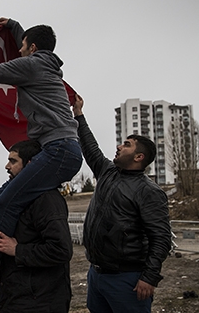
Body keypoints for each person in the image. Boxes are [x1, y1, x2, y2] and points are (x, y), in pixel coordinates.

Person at [0, 16, 82, 290]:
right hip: (61, 149)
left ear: (32, 48)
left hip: (59, 149)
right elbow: (28, 42)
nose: (18, 51)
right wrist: (13, 25)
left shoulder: (33, 64)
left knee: (8, 198)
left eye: (21, 46)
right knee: (9, 198)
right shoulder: (45, 63)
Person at [72, 94, 172, 313]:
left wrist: (150, 277)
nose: (119, 146)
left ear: (139, 157)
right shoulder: (107, 172)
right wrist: (79, 115)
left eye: (127, 144)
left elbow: (161, 238)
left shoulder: (149, 191)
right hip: (97, 274)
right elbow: (90, 148)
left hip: (127, 279)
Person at [0, 140, 73, 312]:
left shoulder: (46, 199)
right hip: (16, 294)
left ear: (30, 164)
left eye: (13, 161)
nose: (6, 166)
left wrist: (17, 250)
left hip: (39, 301)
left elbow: (61, 250)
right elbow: (13, 226)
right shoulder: (20, 196)